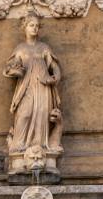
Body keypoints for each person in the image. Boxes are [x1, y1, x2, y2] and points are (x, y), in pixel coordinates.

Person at [4, 14, 63, 174]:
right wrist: (14, 71)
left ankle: (41, 147)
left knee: (42, 114)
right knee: (24, 114)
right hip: (26, 87)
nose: (35, 28)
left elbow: (55, 67)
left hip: (43, 87)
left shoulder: (44, 48)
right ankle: (19, 147)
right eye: (31, 25)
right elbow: (9, 67)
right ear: (25, 27)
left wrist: (55, 77)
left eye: (37, 26)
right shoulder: (20, 49)